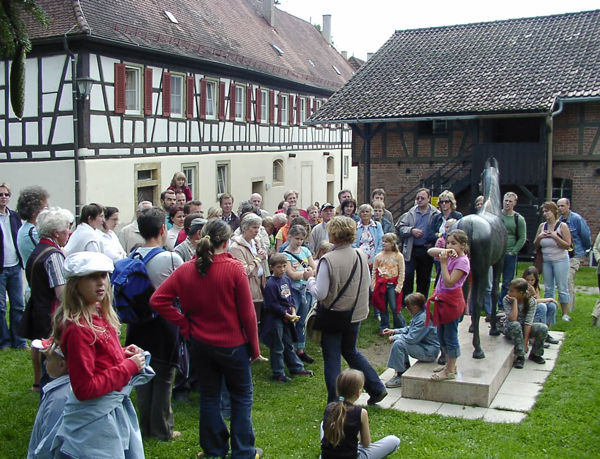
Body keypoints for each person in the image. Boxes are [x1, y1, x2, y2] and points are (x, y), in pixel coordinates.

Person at [149, 219, 264, 459]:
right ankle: (243, 451)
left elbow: (158, 300)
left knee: (209, 395)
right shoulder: (234, 269)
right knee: (242, 396)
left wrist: (185, 324)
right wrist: (254, 348)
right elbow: (248, 315)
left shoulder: (186, 269)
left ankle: (214, 449)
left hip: (200, 344)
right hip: (232, 345)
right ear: (226, 241)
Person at [50, 251, 148, 457]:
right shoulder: (79, 329)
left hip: (109, 409)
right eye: (92, 277)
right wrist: (128, 367)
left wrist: (122, 354)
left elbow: (99, 358)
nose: (101, 282)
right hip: (94, 418)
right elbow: (84, 388)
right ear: (76, 284)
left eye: (104, 276)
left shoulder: (98, 312)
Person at [307, 216, 388, 404]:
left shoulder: (328, 260)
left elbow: (320, 293)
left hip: (334, 315)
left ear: (333, 235)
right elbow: (366, 283)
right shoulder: (361, 254)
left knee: (332, 357)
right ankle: (376, 388)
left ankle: (335, 401)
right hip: (355, 313)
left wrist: (309, 279)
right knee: (351, 351)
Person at [125, 207, 184, 441]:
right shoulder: (170, 258)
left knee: (141, 372)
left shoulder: (132, 256)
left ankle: (144, 425)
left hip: (137, 323)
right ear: (162, 229)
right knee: (163, 376)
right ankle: (162, 429)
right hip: (163, 323)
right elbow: (182, 291)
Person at [21, 208, 70, 393]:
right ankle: (50, 396)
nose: (68, 233)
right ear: (55, 233)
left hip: (39, 310)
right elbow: (61, 294)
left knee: (46, 360)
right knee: (53, 363)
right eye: (66, 229)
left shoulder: (38, 251)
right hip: (51, 315)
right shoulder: (53, 256)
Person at [321, 369, 400, 459]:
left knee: (323, 423)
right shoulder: (361, 413)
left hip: (325, 456)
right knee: (394, 440)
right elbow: (366, 443)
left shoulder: (329, 407)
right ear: (358, 393)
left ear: (338, 390)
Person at [260, 253, 313, 382]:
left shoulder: (286, 280)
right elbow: (272, 304)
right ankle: (278, 373)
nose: (282, 269)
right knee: (278, 347)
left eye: (284, 266)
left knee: (288, 344)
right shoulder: (271, 284)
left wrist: (293, 311)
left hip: (287, 318)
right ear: (272, 267)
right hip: (275, 319)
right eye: (279, 267)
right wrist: (286, 314)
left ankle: (296, 367)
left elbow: (290, 298)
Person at [426, 229, 470, 381]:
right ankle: (449, 364)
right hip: (442, 300)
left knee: (450, 336)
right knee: (441, 335)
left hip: (452, 302)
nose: (450, 246)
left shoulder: (462, 262)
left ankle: (450, 370)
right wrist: (445, 251)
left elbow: (449, 281)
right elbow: (430, 251)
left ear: (463, 245)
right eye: (448, 243)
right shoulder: (451, 255)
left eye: (454, 243)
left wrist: (443, 263)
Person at [382, 292, 440, 388]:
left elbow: (411, 339)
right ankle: (403, 368)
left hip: (428, 352)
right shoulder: (421, 315)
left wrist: (395, 337)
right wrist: (394, 331)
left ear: (415, 306)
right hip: (425, 347)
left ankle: (400, 375)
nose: (406, 308)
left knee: (399, 344)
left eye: (408, 306)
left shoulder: (423, 319)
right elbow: (410, 329)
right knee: (400, 342)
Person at [27, 338, 70, 459]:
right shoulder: (61, 391)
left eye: (48, 358)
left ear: (62, 364)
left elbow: (49, 441)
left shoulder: (60, 398)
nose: (45, 363)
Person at [396, 188, 440, 299]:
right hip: (411, 249)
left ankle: (421, 301)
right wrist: (411, 230)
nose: (419, 200)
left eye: (422, 198)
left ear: (429, 199)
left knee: (424, 278)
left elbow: (439, 231)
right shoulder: (410, 213)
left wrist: (432, 241)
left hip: (427, 250)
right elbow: (400, 227)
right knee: (408, 275)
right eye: (418, 198)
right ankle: (407, 300)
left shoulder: (435, 214)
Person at [283, 224, 317, 363]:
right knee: (293, 319)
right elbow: (291, 274)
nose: (299, 242)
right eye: (297, 238)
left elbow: (315, 268)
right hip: (293, 291)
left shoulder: (305, 250)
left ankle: (301, 349)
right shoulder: (285, 255)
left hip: (306, 289)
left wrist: (307, 274)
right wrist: (307, 274)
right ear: (290, 237)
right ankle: (290, 350)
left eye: (302, 239)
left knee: (303, 320)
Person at [534, 201, 572, 321]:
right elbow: (536, 244)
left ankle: (565, 313)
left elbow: (568, 245)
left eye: (547, 211)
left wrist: (555, 237)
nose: (545, 214)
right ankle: (549, 312)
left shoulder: (562, 226)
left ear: (554, 211)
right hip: (546, 261)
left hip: (560, 260)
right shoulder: (542, 226)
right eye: (544, 211)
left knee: (562, 287)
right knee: (548, 288)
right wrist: (540, 237)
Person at [0, 182, 26, 350]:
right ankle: (4, 342)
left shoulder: (14, 216)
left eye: (6, 194)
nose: (3, 197)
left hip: (15, 266)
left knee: (18, 305)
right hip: (1, 269)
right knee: (1, 307)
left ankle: (19, 341)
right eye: (0, 194)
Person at [502, 278, 548, 368]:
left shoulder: (531, 301)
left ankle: (536, 354)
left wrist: (525, 342)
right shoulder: (507, 299)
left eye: (512, 291)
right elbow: (512, 319)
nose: (508, 293)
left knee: (543, 328)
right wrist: (515, 302)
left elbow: (528, 321)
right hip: (511, 328)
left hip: (525, 327)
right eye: (509, 290)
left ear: (521, 293)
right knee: (515, 325)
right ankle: (520, 356)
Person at [229, 213, 267, 322]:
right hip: (248, 289)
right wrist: (258, 259)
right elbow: (244, 271)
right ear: (244, 228)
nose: (257, 231)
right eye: (254, 227)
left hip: (260, 286)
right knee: (249, 321)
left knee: (258, 321)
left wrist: (263, 255)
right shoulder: (235, 247)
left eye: (258, 228)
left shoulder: (256, 242)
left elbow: (262, 261)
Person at [557, 198, 592, 313]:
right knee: (563, 281)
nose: (560, 208)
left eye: (562, 206)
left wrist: (585, 250)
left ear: (568, 206)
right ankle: (566, 306)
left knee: (568, 278)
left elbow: (585, 235)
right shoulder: (559, 221)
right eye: (558, 206)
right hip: (563, 255)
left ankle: (569, 309)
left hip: (575, 254)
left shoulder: (577, 219)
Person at [371, 233, 406, 335]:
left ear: (393, 243)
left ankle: (400, 327)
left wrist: (399, 286)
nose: (383, 243)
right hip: (381, 285)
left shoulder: (398, 256)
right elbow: (374, 271)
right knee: (382, 307)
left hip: (392, 285)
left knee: (395, 307)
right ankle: (384, 327)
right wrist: (373, 285)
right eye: (383, 241)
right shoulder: (378, 256)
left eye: (386, 242)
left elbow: (402, 272)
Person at [498, 192, 526, 310]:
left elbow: (522, 237)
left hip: (509, 253)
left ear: (515, 203)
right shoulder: (497, 215)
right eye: (506, 200)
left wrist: (513, 251)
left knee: (507, 282)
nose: (507, 203)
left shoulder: (518, 218)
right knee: (493, 281)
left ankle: (503, 306)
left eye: (510, 201)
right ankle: (491, 306)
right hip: (496, 253)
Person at [522, 266, 559, 344]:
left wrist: (534, 293)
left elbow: (537, 299)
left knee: (551, 306)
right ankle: (536, 336)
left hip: (533, 307)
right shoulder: (521, 287)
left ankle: (545, 333)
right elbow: (533, 302)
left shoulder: (535, 287)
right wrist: (549, 299)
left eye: (532, 280)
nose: (529, 282)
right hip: (525, 311)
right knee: (542, 306)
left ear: (536, 280)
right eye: (527, 280)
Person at [16, 185, 49, 266]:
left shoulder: (25, 228)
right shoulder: (33, 232)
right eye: (45, 208)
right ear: (34, 211)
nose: (48, 211)